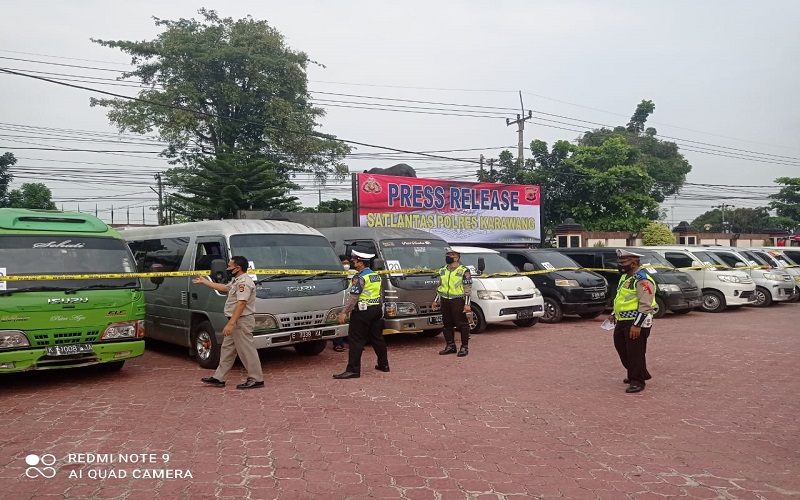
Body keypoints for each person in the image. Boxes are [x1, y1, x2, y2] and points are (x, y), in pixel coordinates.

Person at [192, 256, 264, 390]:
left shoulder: (244, 283)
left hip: (241, 322)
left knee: (246, 351)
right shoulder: (236, 281)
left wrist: (231, 324)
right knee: (227, 350)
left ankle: (256, 378)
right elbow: (225, 288)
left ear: (238, 268)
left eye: (230, 266)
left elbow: (241, 304)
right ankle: (219, 378)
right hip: (236, 321)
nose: (227, 269)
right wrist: (205, 282)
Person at [333, 249, 389, 379]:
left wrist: (344, 312)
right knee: (377, 338)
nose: (353, 263)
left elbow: (354, 297)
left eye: (355, 261)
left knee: (356, 340)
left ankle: (353, 370)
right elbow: (380, 294)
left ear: (361, 263)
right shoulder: (375, 275)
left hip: (362, 311)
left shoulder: (359, 277)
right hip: (375, 309)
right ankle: (384, 364)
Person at [607, 249, 657, 394]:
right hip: (622, 320)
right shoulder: (626, 277)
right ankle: (639, 372)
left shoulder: (642, 280)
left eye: (623, 262)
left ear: (634, 263)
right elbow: (622, 298)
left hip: (636, 321)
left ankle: (637, 381)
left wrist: (637, 325)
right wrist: (613, 313)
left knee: (635, 352)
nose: (620, 265)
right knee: (622, 349)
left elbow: (645, 304)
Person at [432, 248, 472, 357]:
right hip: (445, 300)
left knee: (462, 324)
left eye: (451, 255)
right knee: (447, 324)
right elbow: (440, 287)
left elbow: (467, 288)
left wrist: (467, 304)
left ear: (457, 257)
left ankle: (464, 347)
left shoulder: (464, 270)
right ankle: (450, 346)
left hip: (458, 300)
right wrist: (436, 301)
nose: (448, 257)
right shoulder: (442, 270)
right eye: (447, 255)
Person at [332, 255, 351, 352]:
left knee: (353, 325)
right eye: (344, 263)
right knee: (339, 322)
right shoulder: (334, 274)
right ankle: (338, 344)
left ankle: (353, 344)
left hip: (351, 303)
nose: (346, 265)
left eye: (347, 263)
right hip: (340, 302)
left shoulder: (354, 273)